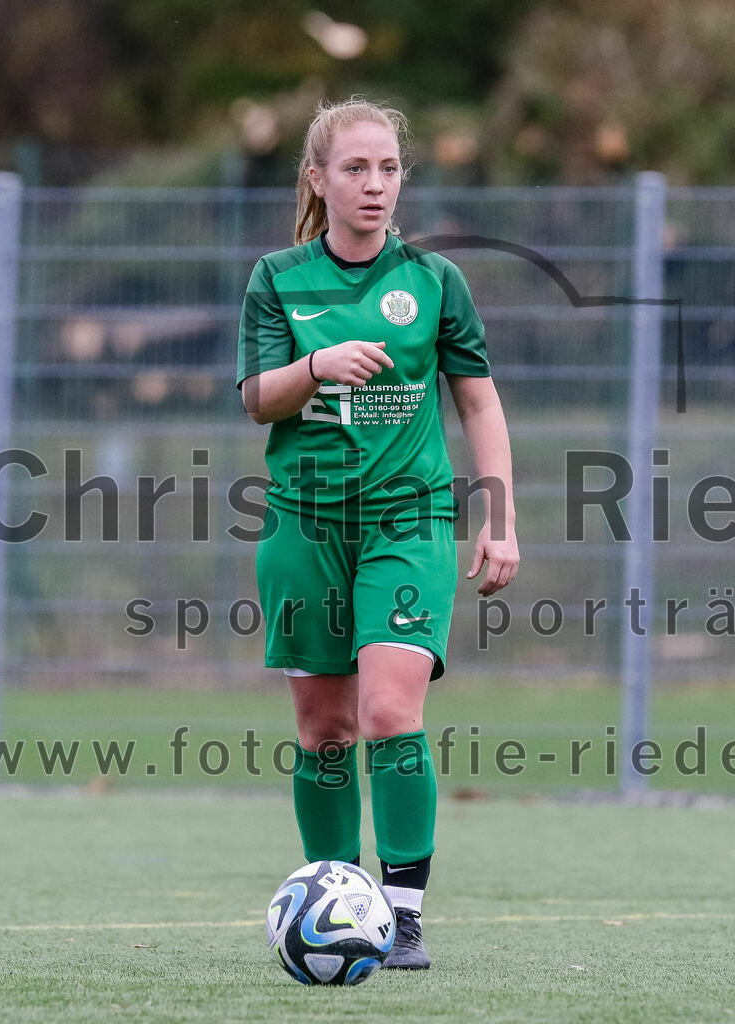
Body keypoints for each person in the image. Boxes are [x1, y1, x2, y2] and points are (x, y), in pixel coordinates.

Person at [236, 97, 518, 970]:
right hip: (304, 525)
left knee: (390, 712)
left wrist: (500, 518)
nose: (374, 184)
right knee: (325, 730)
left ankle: (402, 915)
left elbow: (477, 403)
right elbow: (256, 399)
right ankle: (334, 898)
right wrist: (315, 366)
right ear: (317, 179)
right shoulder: (277, 277)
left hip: (409, 518)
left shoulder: (433, 281)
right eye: (355, 168)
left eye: (388, 168)